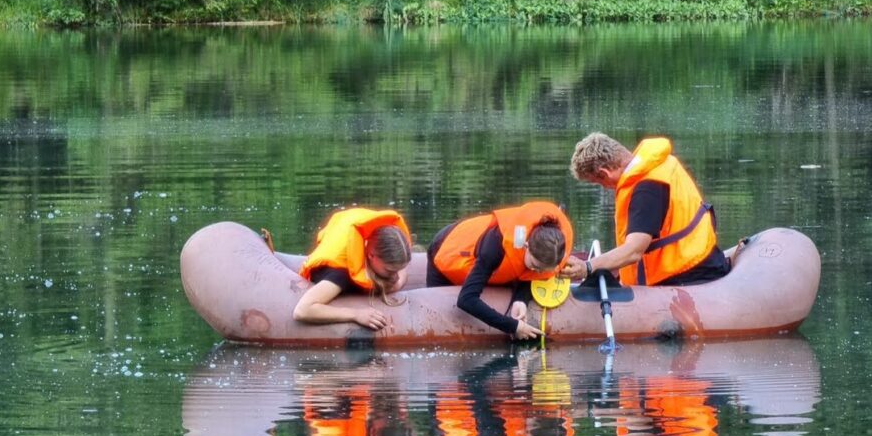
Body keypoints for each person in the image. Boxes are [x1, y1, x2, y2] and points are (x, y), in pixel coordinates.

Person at [565, 134, 729, 286]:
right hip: (702, 257)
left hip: (689, 274)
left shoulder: (647, 189)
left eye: (600, 183)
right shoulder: (660, 164)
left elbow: (634, 251)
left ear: (604, 173)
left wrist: (587, 267)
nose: (606, 188)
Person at [426, 201, 574, 339]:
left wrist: (520, 300)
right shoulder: (494, 249)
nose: (537, 273)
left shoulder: (553, 249)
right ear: (526, 246)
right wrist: (512, 326)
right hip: (445, 250)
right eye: (535, 266)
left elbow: (528, 275)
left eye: (543, 270)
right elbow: (466, 300)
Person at [293, 207, 412, 329]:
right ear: (371, 255)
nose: (396, 276)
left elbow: (401, 272)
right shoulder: (342, 274)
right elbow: (302, 310)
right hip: (337, 253)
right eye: (390, 271)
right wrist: (356, 314)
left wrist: (397, 284)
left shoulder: (383, 244)